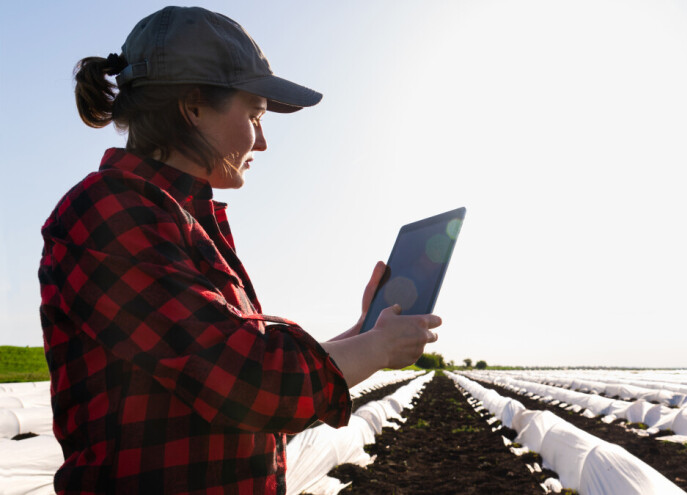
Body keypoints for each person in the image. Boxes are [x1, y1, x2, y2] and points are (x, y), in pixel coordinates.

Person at [38, 6, 441, 494]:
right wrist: (375, 347)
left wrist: (363, 333)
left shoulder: (181, 219)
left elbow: (247, 391)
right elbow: (246, 380)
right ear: (193, 106)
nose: (263, 141)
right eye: (254, 115)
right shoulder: (108, 212)